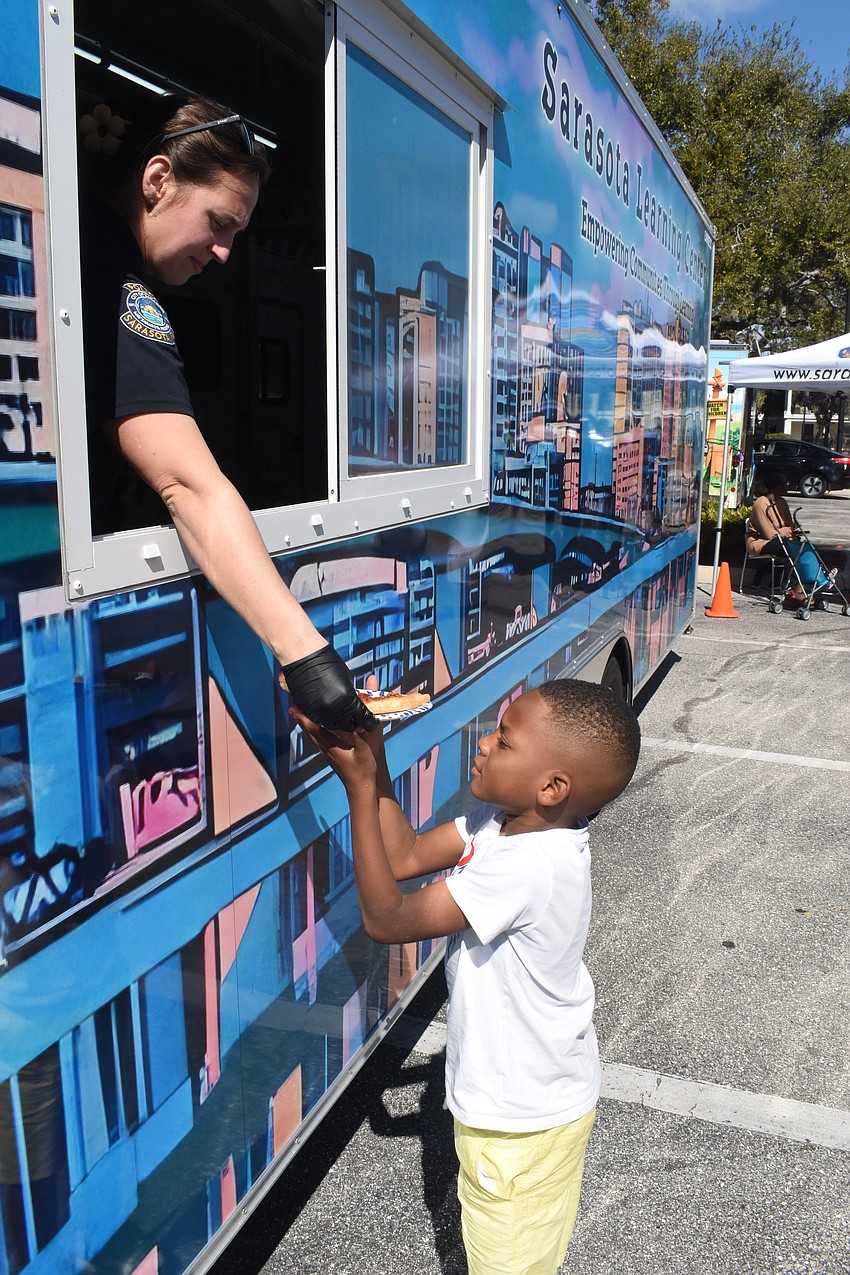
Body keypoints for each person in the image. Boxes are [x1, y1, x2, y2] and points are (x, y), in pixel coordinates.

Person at [291, 677, 641, 1275]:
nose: (484, 743)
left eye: (504, 742)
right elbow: (403, 856)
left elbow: (387, 916)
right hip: (533, 1098)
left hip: (518, 1124)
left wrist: (357, 788)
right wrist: (373, 759)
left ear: (552, 788)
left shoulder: (530, 866)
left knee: (505, 1255)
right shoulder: (500, 824)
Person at [79, 93, 374, 733]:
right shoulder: (109, 280)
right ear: (157, 180)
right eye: (219, 223)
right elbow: (188, 484)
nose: (223, 253)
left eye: (235, 235)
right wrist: (310, 660)